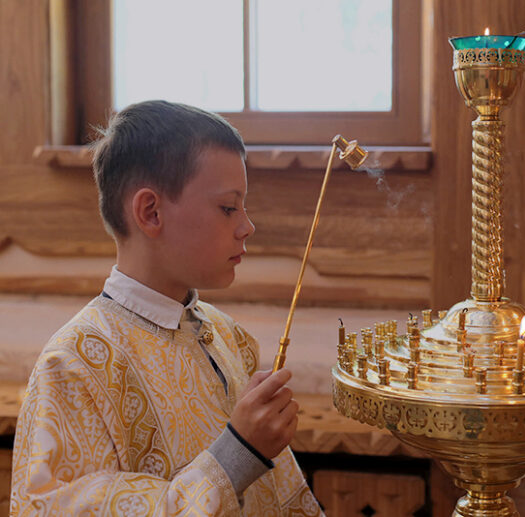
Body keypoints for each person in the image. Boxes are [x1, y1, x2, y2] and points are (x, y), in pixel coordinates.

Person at [10, 100, 323, 516]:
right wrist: (237, 456)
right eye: (229, 207)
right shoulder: (73, 365)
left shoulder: (228, 336)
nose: (247, 226)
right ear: (150, 212)